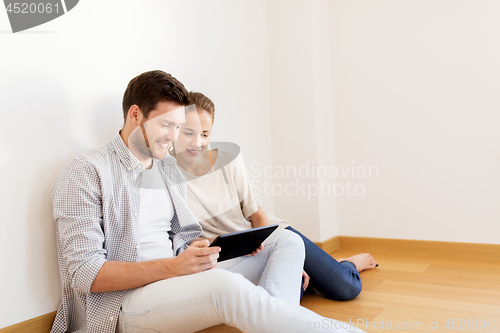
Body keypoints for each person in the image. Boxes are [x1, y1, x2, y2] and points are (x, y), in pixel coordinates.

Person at [50, 70, 366, 333]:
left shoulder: (165, 168)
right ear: (135, 115)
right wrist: (175, 266)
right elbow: (85, 274)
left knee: (287, 242)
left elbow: (183, 239)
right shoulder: (87, 172)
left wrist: (210, 249)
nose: (174, 137)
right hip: (124, 304)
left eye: (177, 127)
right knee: (224, 288)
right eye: (166, 125)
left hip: (177, 280)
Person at [171, 91, 378, 302]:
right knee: (281, 299)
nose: (197, 142)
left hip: (268, 238)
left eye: (205, 134)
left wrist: (284, 257)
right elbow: (183, 238)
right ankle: (318, 270)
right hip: (231, 257)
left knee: (346, 287)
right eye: (189, 133)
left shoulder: (228, 160)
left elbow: (258, 217)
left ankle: (347, 264)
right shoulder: (165, 175)